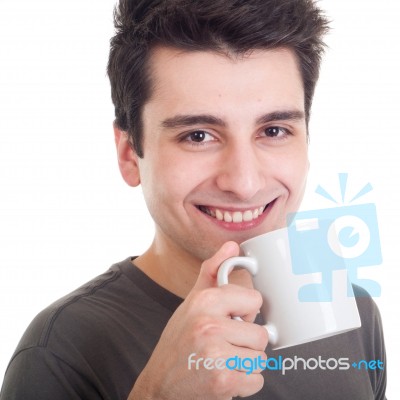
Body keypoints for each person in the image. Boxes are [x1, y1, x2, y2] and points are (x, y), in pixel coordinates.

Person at [0, 0, 386, 399]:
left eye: (273, 131)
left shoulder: (355, 312)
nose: (244, 182)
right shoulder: (60, 351)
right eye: (197, 135)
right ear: (129, 154)